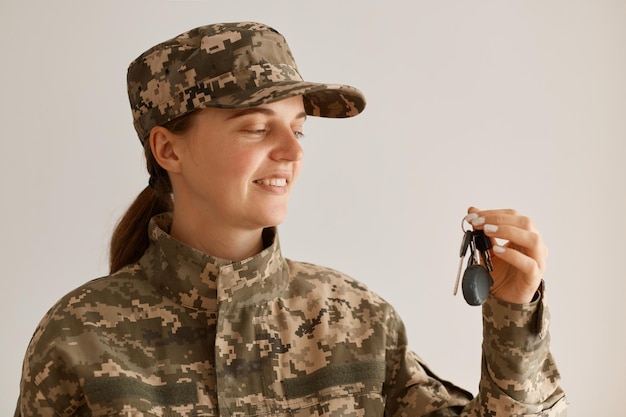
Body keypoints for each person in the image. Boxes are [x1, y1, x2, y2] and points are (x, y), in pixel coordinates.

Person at [15, 22, 567, 416]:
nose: (293, 152)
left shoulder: (358, 323)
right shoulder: (79, 337)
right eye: (257, 127)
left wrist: (514, 319)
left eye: (297, 128)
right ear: (169, 149)